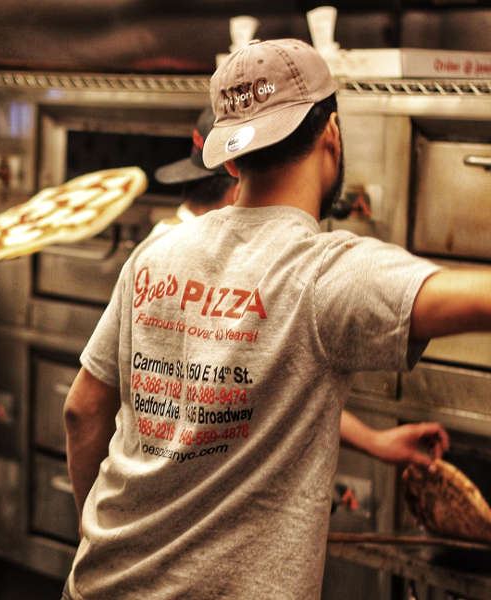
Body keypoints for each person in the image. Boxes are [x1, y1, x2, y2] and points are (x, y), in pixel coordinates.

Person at [62, 38, 490, 600]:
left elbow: (82, 410)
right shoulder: (324, 273)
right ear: (331, 134)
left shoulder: (156, 256)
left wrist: (107, 538)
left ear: (232, 157)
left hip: (99, 584)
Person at [153, 106, 449, 467]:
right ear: (237, 187)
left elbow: (254, 393)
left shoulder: (155, 248)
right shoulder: (223, 264)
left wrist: (373, 440)